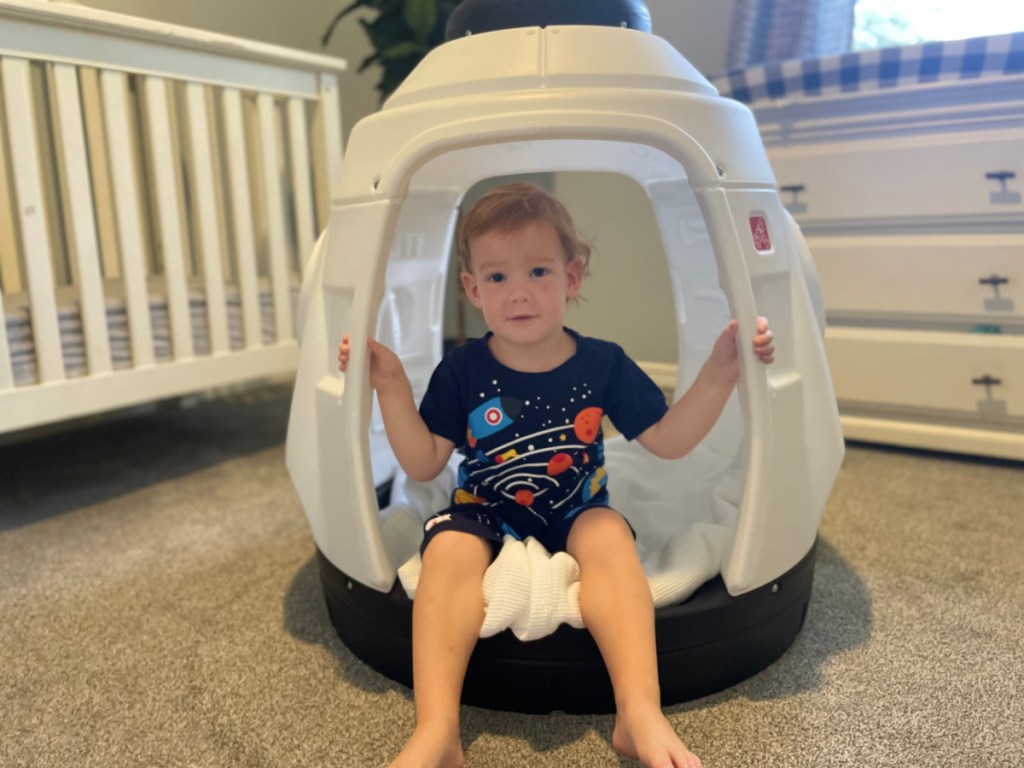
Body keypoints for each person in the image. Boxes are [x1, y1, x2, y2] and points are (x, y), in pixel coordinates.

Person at [338, 182, 775, 768]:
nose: (517, 292)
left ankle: (638, 713)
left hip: (576, 508)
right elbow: (423, 464)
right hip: (482, 508)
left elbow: (670, 442)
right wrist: (390, 387)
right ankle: (437, 730)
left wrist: (722, 372)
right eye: (495, 278)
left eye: (538, 271)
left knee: (611, 540)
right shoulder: (462, 368)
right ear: (471, 290)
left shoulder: (605, 363)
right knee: (445, 555)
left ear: (572, 277)